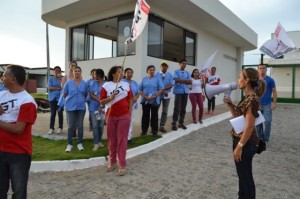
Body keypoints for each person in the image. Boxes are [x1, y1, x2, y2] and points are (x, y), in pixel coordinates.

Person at [223, 68, 266, 199]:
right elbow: (239, 117)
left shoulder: (252, 100)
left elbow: (249, 125)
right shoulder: (248, 98)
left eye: (240, 77)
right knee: (243, 177)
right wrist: (230, 105)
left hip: (245, 143)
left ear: (246, 80)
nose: (238, 80)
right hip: (243, 142)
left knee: (246, 179)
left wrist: (239, 146)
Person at [0, 65, 37, 198]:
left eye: (4, 75)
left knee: (19, 193)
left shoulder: (27, 101)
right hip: (0, 150)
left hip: (19, 153)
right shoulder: (1, 95)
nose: (2, 78)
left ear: (13, 79)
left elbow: (18, 129)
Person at [100, 66, 133, 176]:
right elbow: (102, 101)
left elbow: (131, 99)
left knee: (122, 140)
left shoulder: (126, 85)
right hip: (110, 115)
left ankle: (122, 164)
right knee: (112, 140)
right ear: (113, 74)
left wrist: (129, 113)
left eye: (121, 72)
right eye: (119, 72)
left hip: (124, 115)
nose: (121, 73)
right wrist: (110, 98)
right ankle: (112, 161)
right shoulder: (106, 85)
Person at [63, 66, 87, 152]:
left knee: (80, 125)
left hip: (81, 107)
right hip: (70, 107)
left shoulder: (84, 83)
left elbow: (86, 94)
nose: (77, 72)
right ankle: (69, 144)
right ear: (73, 73)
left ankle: (80, 143)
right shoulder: (68, 83)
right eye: (75, 71)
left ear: (81, 73)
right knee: (71, 126)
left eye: (78, 71)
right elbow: (64, 94)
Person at [139, 65, 164, 136]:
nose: (152, 71)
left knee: (154, 116)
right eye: (150, 70)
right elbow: (140, 89)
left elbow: (161, 89)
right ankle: (144, 131)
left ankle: (154, 130)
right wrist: (144, 96)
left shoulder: (157, 79)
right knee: (145, 116)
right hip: (145, 101)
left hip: (154, 101)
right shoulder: (144, 79)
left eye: (153, 70)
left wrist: (154, 96)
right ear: (147, 71)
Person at [256, 64, 277, 143]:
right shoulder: (255, 80)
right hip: (257, 104)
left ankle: (266, 139)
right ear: (258, 69)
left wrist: (274, 103)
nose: (262, 70)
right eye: (260, 68)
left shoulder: (270, 80)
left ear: (266, 69)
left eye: (263, 68)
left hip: (267, 104)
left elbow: (274, 91)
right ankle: (260, 138)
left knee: (267, 121)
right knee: (257, 123)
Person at [172, 59, 192, 130]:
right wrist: (185, 80)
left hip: (185, 92)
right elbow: (176, 80)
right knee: (177, 108)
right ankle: (174, 123)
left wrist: (182, 80)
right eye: (183, 63)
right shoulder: (176, 71)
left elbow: (190, 81)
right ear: (179, 64)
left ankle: (181, 123)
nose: (184, 65)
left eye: (185, 64)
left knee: (183, 108)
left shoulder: (187, 72)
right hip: (178, 92)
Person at [89, 69, 106, 151]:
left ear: (99, 75)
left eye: (95, 74)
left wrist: (102, 104)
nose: (93, 75)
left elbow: (107, 96)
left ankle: (99, 141)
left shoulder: (106, 84)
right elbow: (91, 94)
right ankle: (96, 143)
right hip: (93, 107)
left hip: (102, 108)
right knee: (95, 125)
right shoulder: (93, 83)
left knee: (101, 125)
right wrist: (99, 100)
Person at [122, 68, 140, 144]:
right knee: (124, 122)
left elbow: (139, 92)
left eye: (131, 73)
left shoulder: (135, 83)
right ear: (125, 74)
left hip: (133, 105)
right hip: (125, 106)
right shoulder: (122, 82)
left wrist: (136, 98)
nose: (129, 74)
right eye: (128, 73)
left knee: (131, 121)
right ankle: (122, 137)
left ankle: (129, 137)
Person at [155, 61, 174, 133]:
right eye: (162, 65)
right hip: (158, 95)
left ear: (167, 67)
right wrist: (163, 91)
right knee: (156, 110)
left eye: (165, 65)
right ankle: (154, 125)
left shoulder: (170, 75)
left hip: (167, 95)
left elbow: (171, 85)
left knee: (165, 110)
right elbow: (156, 85)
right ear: (160, 66)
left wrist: (163, 89)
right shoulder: (156, 74)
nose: (164, 67)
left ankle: (162, 126)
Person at [48, 66, 63, 135]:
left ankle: (60, 128)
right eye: (56, 70)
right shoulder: (50, 78)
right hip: (52, 98)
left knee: (60, 113)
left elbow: (63, 87)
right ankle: (51, 128)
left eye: (58, 71)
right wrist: (58, 88)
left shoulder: (61, 79)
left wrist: (61, 79)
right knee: (53, 113)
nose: (57, 72)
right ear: (54, 71)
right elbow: (50, 88)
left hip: (60, 98)